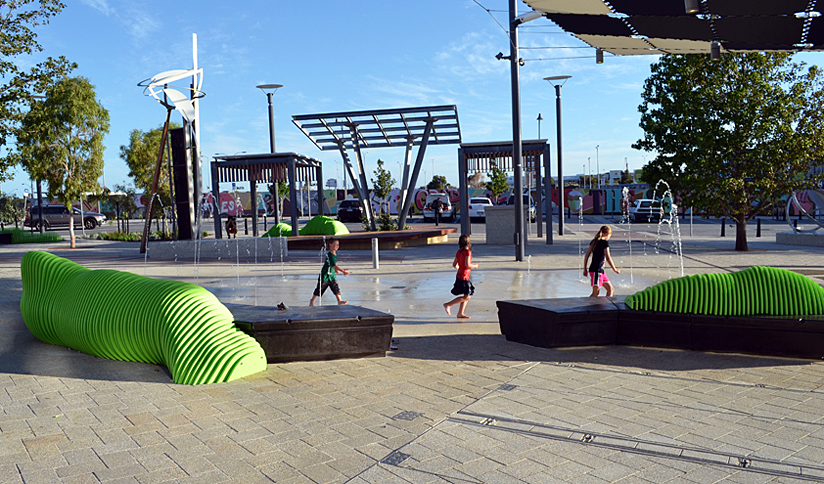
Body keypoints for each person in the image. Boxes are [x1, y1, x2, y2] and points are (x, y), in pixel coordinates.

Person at [444, 234, 478, 319]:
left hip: (460, 275)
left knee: (466, 295)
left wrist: (460, 268)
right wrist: (475, 266)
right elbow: (467, 264)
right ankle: (448, 304)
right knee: (467, 296)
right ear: (469, 243)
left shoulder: (459, 252)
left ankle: (460, 313)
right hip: (464, 277)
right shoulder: (468, 252)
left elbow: (454, 265)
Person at [309, 237, 350, 306]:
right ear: (330, 245)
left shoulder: (335, 253)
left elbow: (331, 264)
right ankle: (312, 300)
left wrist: (335, 270)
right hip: (325, 274)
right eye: (335, 244)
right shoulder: (330, 254)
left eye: (338, 245)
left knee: (335, 287)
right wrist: (343, 271)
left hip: (331, 274)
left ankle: (339, 300)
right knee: (320, 288)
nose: (337, 246)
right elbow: (333, 264)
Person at [583, 225, 621, 297]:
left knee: (610, 289)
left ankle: (607, 306)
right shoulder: (604, 243)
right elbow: (608, 257)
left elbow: (586, 256)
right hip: (596, 271)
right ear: (608, 234)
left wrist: (585, 269)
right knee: (595, 292)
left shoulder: (594, 242)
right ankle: (588, 307)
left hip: (601, 271)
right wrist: (615, 269)